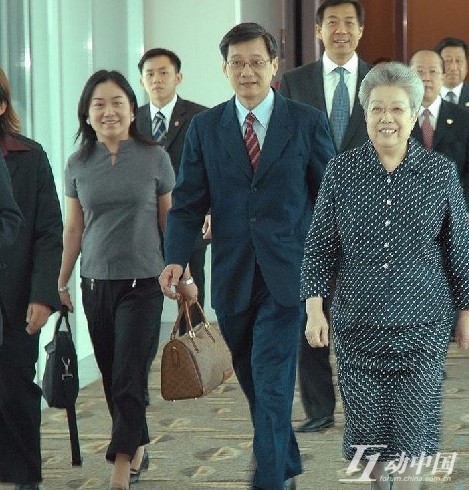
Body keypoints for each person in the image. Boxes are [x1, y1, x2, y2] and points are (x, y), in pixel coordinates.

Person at [159, 22, 335, 490]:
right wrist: (176, 257)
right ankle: (287, 459)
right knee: (255, 382)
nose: (247, 71)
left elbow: (330, 201)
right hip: (233, 277)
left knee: (273, 382)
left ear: (274, 65)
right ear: (224, 69)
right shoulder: (205, 127)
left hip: (288, 275)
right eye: (237, 63)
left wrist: (328, 269)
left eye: (257, 61)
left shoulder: (306, 122)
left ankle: (271, 478)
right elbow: (189, 201)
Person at [301, 61, 469, 490]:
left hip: (423, 325)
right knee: (367, 433)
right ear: (365, 114)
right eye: (377, 109)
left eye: (397, 109)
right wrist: (315, 310)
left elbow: (459, 247)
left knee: (413, 430)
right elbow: (320, 246)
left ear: (414, 114)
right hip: (358, 326)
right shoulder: (342, 170)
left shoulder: (439, 173)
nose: (387, 119)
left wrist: (466, 310)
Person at [57, 70, 185, 490]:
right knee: (114, 378)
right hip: (95, 284)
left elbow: (170, 221)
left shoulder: (154, 157)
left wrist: (182, 273)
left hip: (143, 285)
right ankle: (139, 442)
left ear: (133, 109)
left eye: (117, 103)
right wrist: (60, 281)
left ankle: (120, 467)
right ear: (87, 114)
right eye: (99, 104)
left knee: (130, 374)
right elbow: (74, 229)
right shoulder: (77, 163)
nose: (108, 111)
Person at [279, 0, 372, 434]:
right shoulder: (294, 82)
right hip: (306, 219)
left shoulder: (379, 80)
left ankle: (365, 404)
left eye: (348, 22)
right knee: (308, 315)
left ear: (360, 31)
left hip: (369, 218)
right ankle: (319, 407)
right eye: (331, 21)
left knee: (363, 316)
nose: (340, 29)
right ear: (318, 30)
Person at [0, 67, 62, 490]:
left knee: (17, 388)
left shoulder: (29, 155)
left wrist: (43, 296)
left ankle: (25, 479)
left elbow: (48, 232)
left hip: (17, 297)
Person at [409, 50, 469, 209]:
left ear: (443, 76)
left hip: (454, 209)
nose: (426, 77)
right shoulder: (398, 118)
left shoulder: (464, 118)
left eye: (433, 71)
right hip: (408, 212)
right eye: (419, 71)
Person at [434, 37, 469, 109]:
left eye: (458, 61)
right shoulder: (426, 96)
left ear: (466, 65)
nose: (453, 68)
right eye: (447, 61)